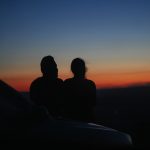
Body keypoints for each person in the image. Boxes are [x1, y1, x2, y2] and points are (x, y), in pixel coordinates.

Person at [63, 58, 96, 122]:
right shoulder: (90, 84)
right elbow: (93, 103)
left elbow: (64, 103)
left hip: (70, 119)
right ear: (85, 69)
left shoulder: (67, 83)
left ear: (72, 70)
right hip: (87, 119)